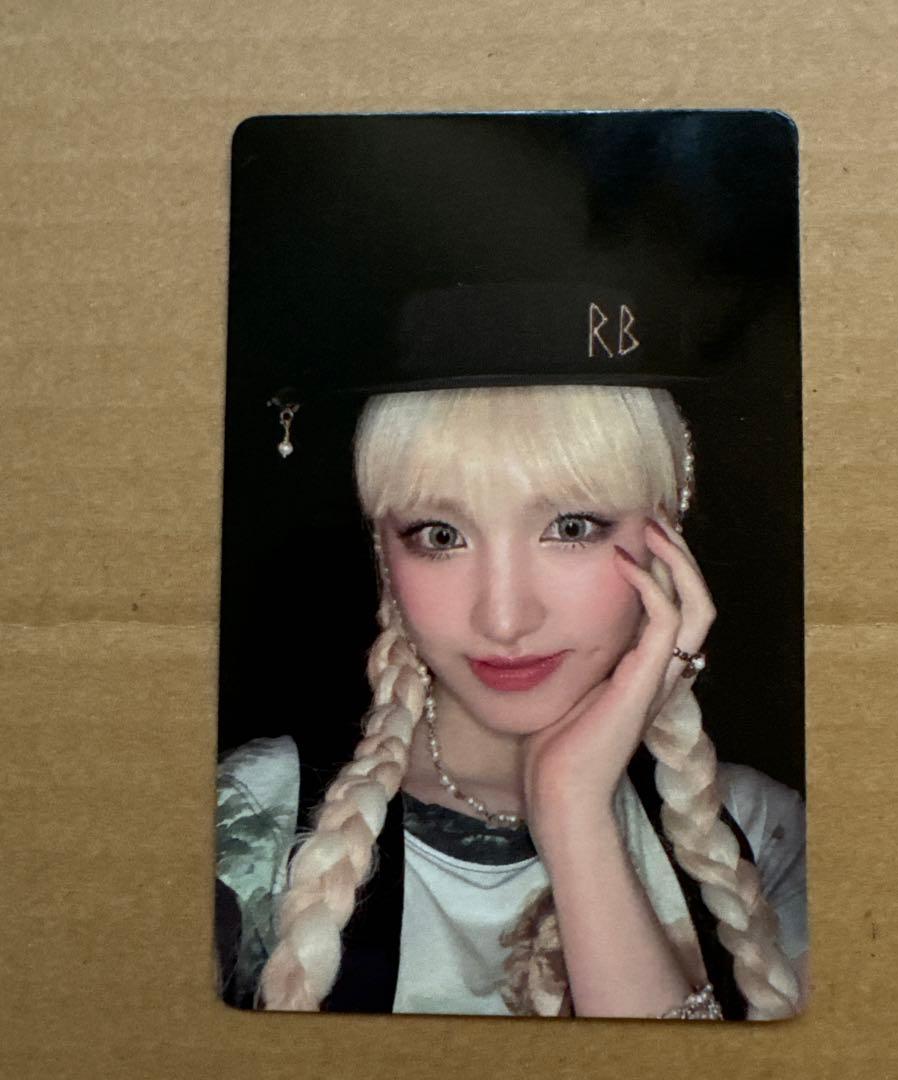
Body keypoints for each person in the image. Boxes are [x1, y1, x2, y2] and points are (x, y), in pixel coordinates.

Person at [216, 382, 808, 1020]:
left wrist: (572, 809)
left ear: (667, 534)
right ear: (384, 553)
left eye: (571, 527)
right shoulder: (255, 815)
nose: (503, 620)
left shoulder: (763, 834)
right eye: (441, 536)